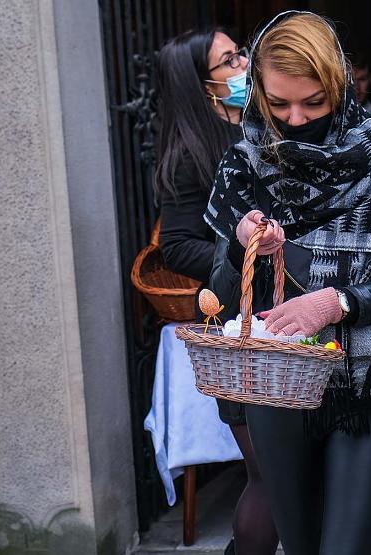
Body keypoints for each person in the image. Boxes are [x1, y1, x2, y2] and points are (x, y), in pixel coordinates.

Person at [204, 11, 371, 555]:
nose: (296, 119)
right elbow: (220, 295)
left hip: (368, 384)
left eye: (314, 103)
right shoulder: (245, 161)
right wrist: (243, 241)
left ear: (341, 86)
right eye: (280, 103)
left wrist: (337, 302)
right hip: (279, 385)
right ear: (259, 94)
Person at [155, 29, 279, 555]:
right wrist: (239, 252)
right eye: (230, 60)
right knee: (269, 472)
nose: (245, 63)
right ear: (204, 86)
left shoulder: (268, 125)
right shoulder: (190, 155)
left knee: (296, 470)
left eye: (240, 52)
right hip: (243, 321)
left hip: (295, 312)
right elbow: (177, 246)